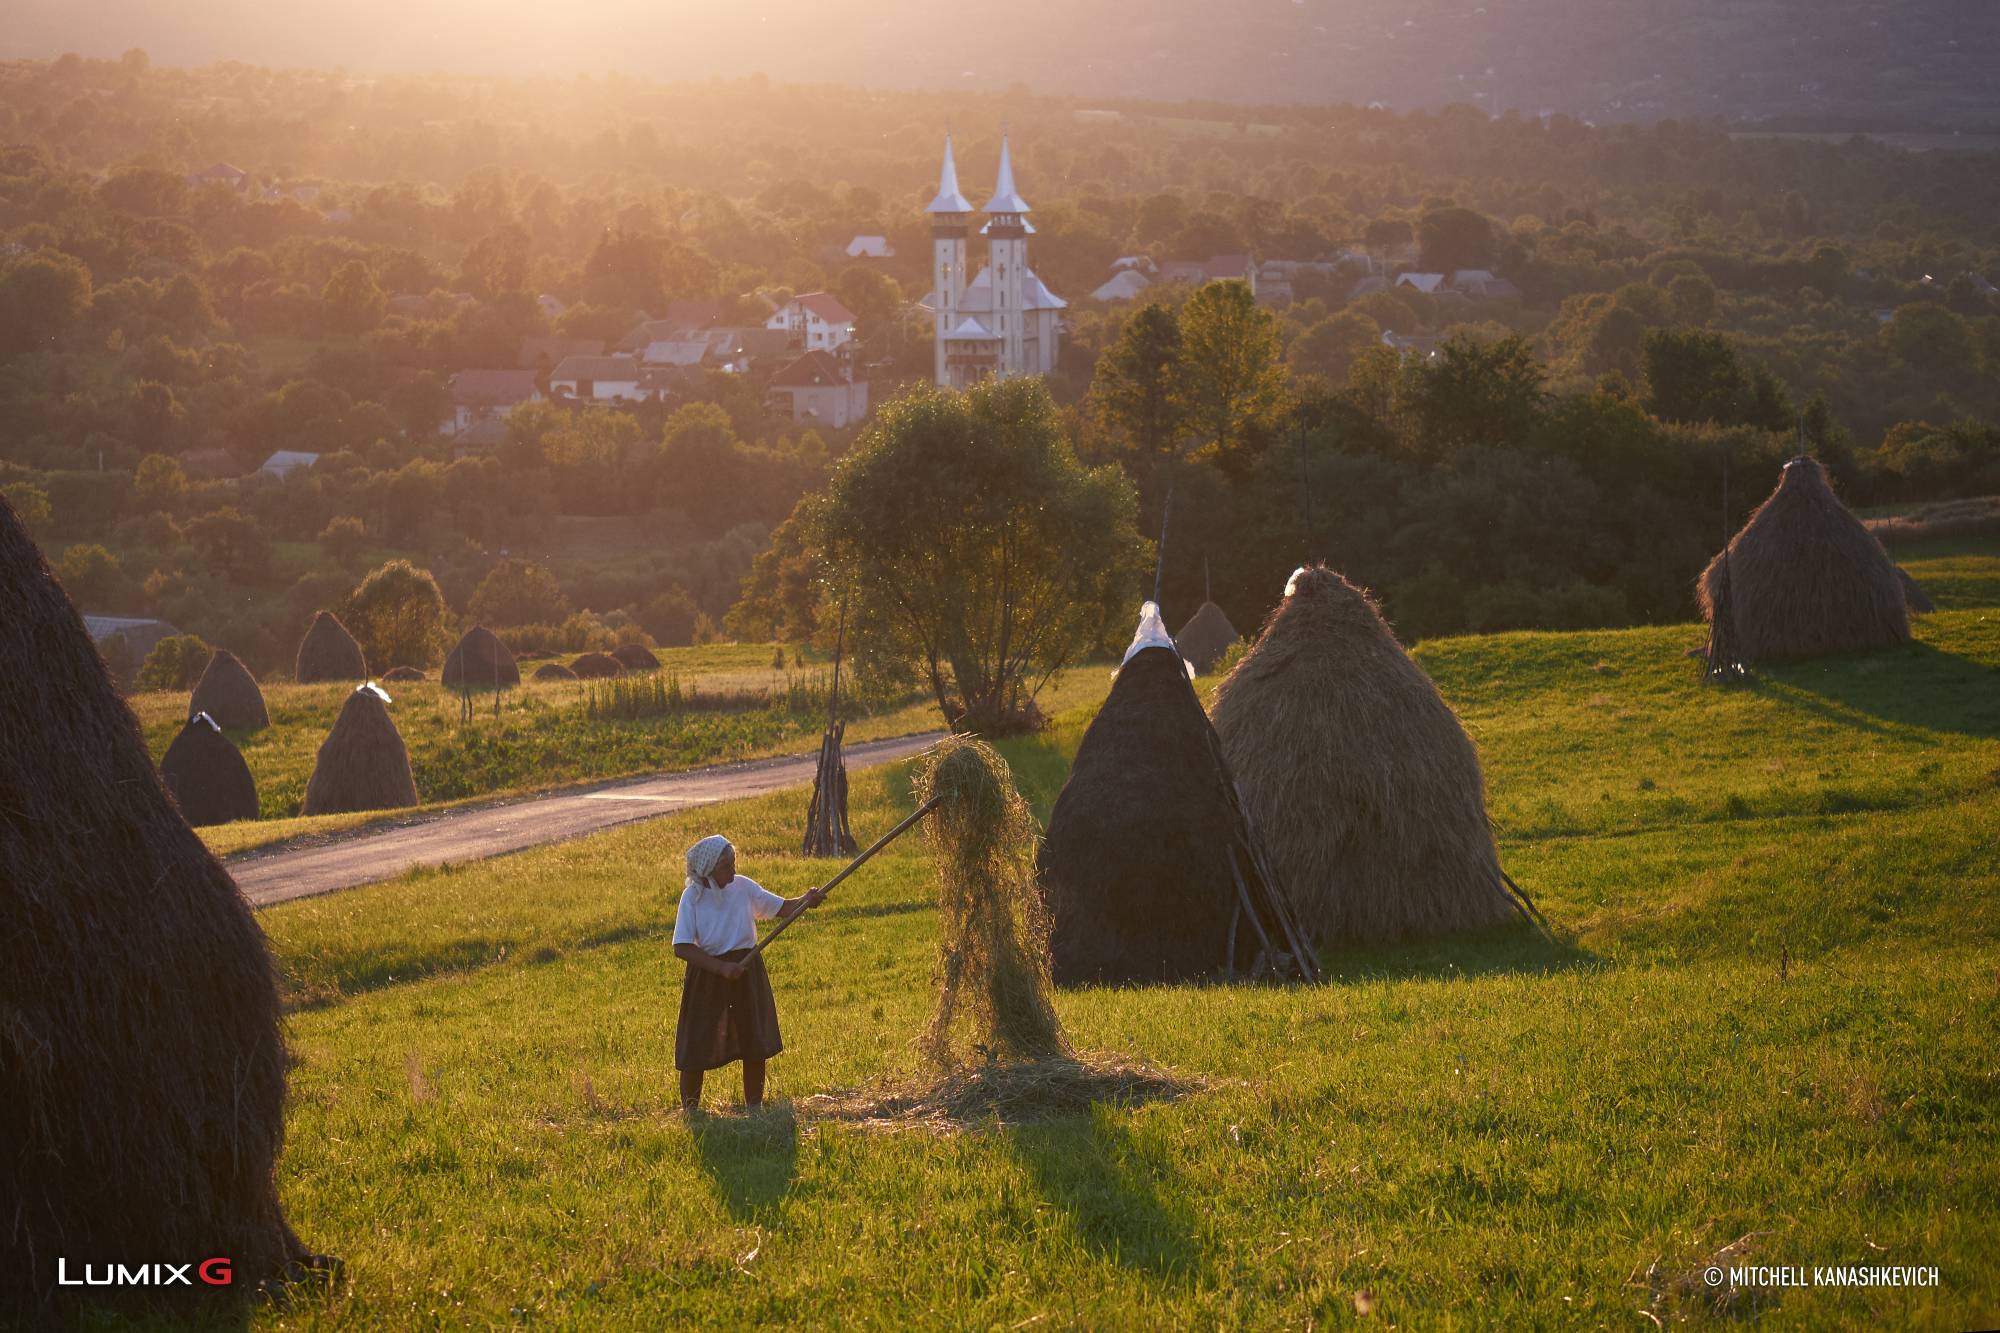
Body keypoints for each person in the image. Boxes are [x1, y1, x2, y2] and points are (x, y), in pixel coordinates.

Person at [672, 834, 825, 1111]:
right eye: (727, 866)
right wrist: (720, 968)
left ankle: (754, 1107)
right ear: (708, 870)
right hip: (707, 976)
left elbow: (782, 908)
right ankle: (691, 1111)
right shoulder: (692, 897)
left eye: (733, 863)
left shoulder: (743, 887)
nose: (733, 869)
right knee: (697, 1043)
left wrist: (806, 900)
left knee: (753, 1039)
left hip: (746, 970)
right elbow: (682, 946)